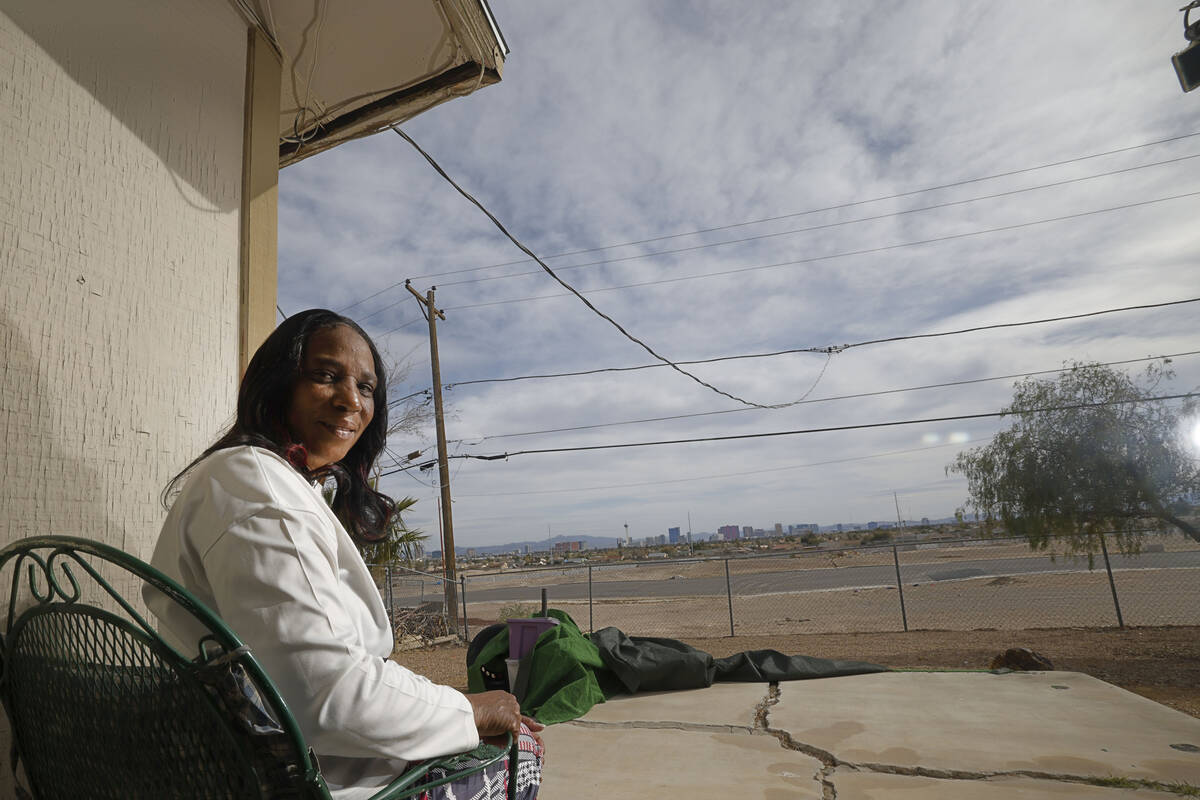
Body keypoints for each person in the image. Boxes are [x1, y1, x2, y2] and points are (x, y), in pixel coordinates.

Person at [146, 309, 543, 800]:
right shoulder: (258, 487)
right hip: (301, 781)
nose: (351, 400)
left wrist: (445, 703)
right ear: (278, 383)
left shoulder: (272, 483)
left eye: (367, 387)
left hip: (271, 759)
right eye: (326, 376)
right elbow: (325, 692)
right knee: (520, 748)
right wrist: (468, 711)